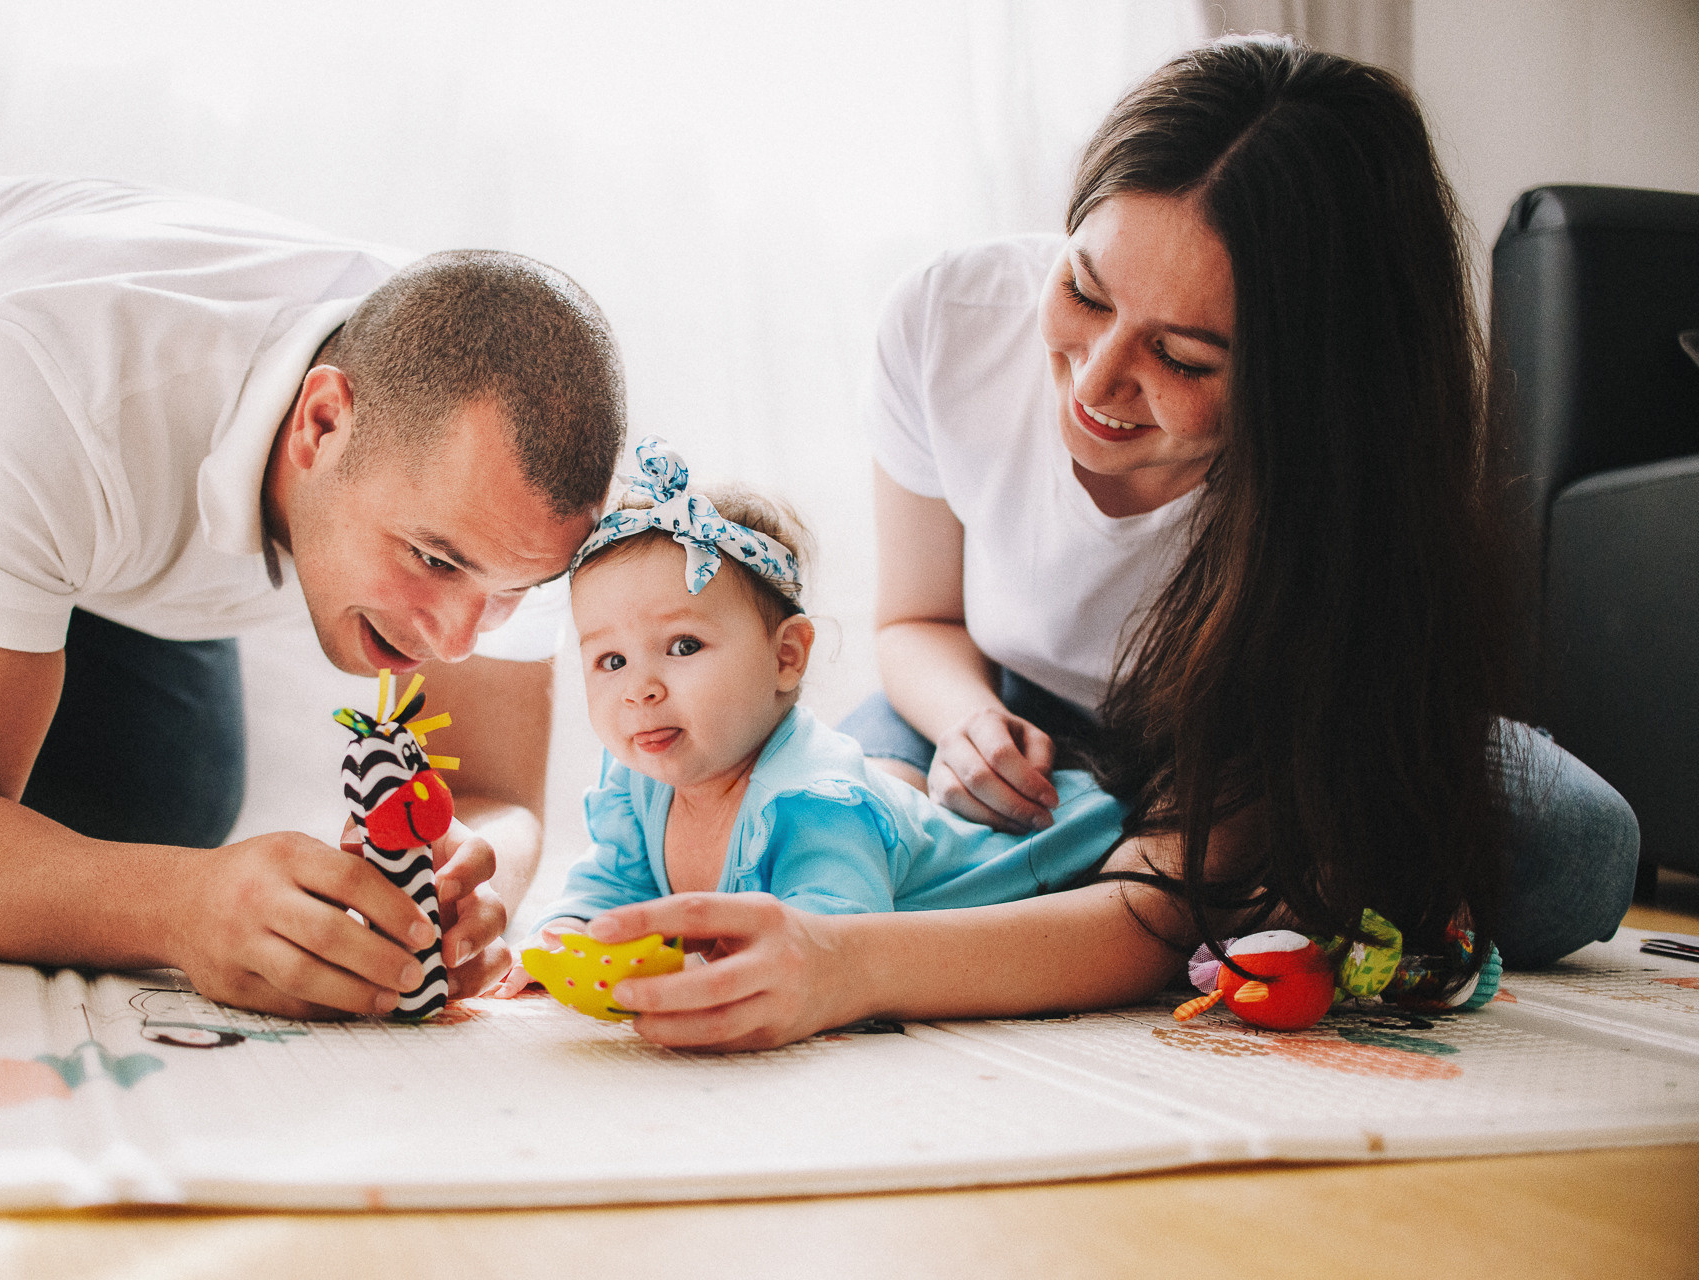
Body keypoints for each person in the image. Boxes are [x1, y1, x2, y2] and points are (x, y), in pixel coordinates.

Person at [565, 36, 1641, 1052]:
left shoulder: (1341, 507)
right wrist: (967, 720)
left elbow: (1145, 916)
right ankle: (1103, 867)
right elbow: (916, 618)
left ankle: (1231, 872)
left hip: (1231, 737)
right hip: (1000, 697)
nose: (1094, 382)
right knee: (837, 805)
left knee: (1574, 850)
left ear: (1308, 385)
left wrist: (842, 963)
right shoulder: (946, 320)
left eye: (1181, 355)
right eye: (1082, 289)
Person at [0, 174, 626, 1020]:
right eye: (433, 560)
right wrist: (179, 906)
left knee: (167, 811)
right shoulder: (55, 389)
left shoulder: (510, 488)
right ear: (322, 423)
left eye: (513, 591)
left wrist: (477, 869)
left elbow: (492, 792)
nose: (458, 641)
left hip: (79, 483)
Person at [505, 443, 1121, 981]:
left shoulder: (815, 801)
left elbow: (831, 942)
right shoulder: (638, 786)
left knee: (1155, 850)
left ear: (787, 657)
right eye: (610, 661)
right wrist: (562, 941)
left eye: (683, 646)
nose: (640, 690)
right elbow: (610, 890)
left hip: (1063, 845)